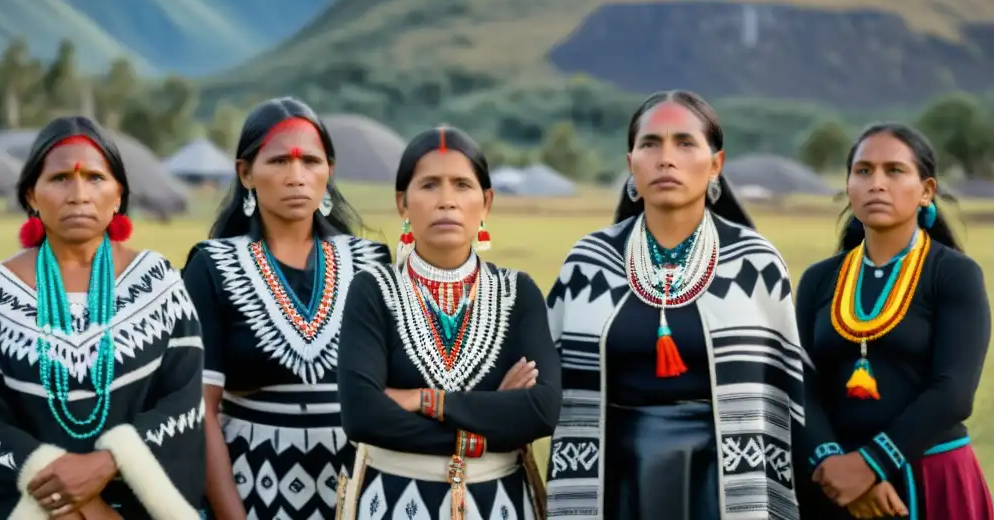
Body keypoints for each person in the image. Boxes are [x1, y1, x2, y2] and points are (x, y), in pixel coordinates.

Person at [546, 90, 806, 520]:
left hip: (724, 481)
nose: (666, 158)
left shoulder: (755, 263)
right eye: (650, 144)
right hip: (612, 476)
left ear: (716, 164)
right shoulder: (590, 262)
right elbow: (544, 376)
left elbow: (788, 393)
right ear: (631, 162)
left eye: (685, 143)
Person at [0, 116, 205, 520]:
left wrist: (110, 462)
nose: (78, 193)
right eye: (60, 178)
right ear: (31, 195)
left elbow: (183, 400)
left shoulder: (157, 282)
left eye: (95, 178)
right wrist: (69, 499)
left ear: (118, 196)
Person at [181, 97, 391, 520]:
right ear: (246, 173)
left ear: (329, 171)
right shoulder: (213, 267)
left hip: (359, 496)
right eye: (278, 161)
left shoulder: (372, 264)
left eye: (310, 161)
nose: (296, 176)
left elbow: (394, 392)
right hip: (252, 489)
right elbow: (199, 410)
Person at [335, 126, 560, 519]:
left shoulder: (518, 293)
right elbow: (363, 415)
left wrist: (423, 400)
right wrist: (491, 416)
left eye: (461, 185)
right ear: (402, 203)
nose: (447, 201)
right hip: (393, 502)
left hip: (500, 504)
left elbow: (541, 411)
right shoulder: (373, 289)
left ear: (486, 201)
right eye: (429, 185)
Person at [796, 123, 993, 520]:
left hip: (927, 475)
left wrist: (869, 465)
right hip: (834, 482)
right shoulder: (819, 279)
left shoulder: (953, 274)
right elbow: (799, 384)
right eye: (863, 171)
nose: (877, 183)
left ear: (926, 191)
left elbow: (952, 392)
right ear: (849, 186)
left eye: (895, 171)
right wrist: (836, 466)